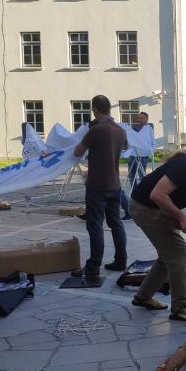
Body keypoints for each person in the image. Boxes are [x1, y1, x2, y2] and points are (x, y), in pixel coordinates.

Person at [128, 145, 186, 322]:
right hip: (145, 207)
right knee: (177, 252)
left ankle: (143, 297)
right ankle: (180, 308)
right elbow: (157, 195)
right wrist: (182, 218)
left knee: (168, 255)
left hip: (158, 208)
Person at [72, 95, 129, 279]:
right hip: (115, 184)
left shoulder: (96, 130)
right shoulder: (120, 131)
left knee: (95, 225)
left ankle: (93, 266)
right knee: (116, 223)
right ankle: (121, 260)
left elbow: (77, 151)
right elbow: (126, 147)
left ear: (95, 110)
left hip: (97, 185)